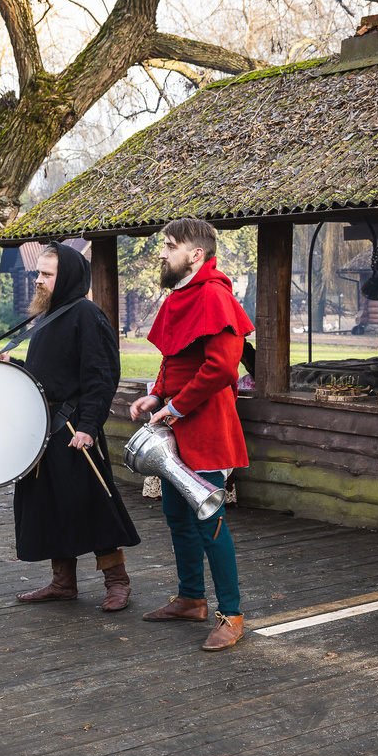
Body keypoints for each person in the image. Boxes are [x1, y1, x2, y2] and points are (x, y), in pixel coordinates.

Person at [129, 218, 255, 652]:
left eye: (169, 245)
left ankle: (231, 614)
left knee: (209, 522)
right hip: (176, 426)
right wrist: (156, 397)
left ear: (195, 255)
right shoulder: (183, 294)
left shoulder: (214, 294)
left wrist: (174, 407)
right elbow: (175, 356)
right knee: (176, 515)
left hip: (205, 427)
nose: (162, 253)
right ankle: (190, 599)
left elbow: (222, 367)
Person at [0, 243, 140, 610]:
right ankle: (63, 582)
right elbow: (48, 372)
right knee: (48, 505)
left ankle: (116, 581)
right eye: (38, 273)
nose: (38, 281)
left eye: (46, 274)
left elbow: (101, 376)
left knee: (91, 503)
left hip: (75, 428)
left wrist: (89, 426)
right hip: (43, 430)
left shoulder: (86, 315)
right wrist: (13, 363)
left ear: (69, 276)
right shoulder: (49, 315)